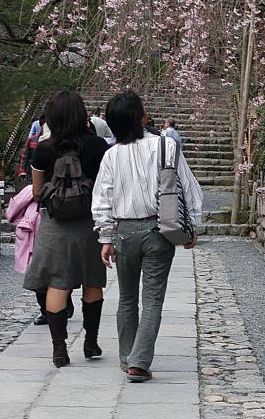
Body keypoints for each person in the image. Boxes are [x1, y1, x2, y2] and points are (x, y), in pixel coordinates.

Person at [92, 90, 202, 383]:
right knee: (152, 299)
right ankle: (139, 363)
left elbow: (102, 197)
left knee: (126, 298)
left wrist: (106, 237)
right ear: (141, 116)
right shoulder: (165, 146)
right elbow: (186, 186)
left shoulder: (111, 155)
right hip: (160, 230)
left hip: (125, 232)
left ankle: (127, 356)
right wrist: (193, 224)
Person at [24, 90, 108, 367]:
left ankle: (59, 349)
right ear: (82, 114)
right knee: (92, 281)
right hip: (90, 222)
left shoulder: (45, 148)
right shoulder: (98, 146)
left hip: (55, 224)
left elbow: (37, 192)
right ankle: (90, 342)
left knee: (57, 283)